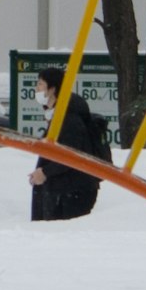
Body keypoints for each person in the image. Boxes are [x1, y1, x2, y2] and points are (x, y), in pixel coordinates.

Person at [29, 91, 111, 222]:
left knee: (64, 234)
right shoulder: (73, 121)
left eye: (49, 103)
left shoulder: (70, 122)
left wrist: (45, 172)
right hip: (73, 188)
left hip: (70, 190)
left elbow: (70, 156)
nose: (46, 107)